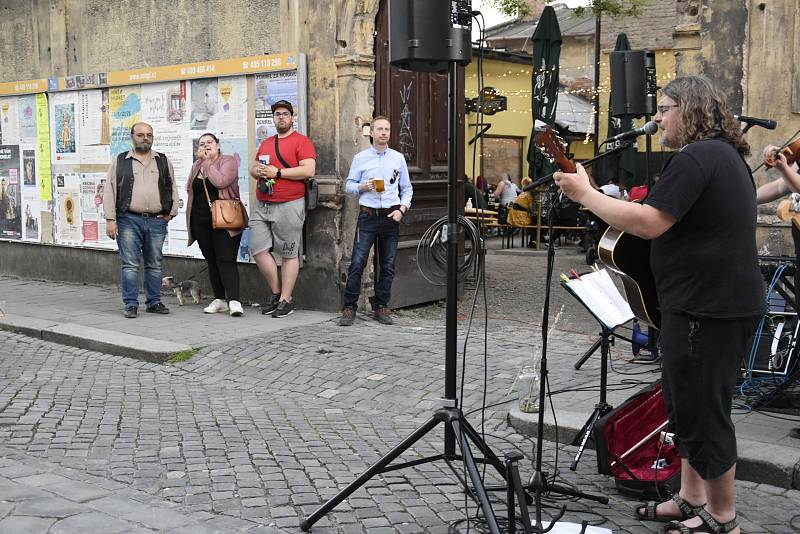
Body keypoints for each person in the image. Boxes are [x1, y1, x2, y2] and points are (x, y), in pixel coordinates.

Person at [553, 76, 763, 534]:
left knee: (705, 412)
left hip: (708, 309)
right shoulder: (722, 156)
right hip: (703, 305)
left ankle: (722, 518)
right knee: (683, 404)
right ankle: (690, 498)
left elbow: (650, 222)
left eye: (665, 108)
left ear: (688, 110)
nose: (657, 118)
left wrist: (586, 196)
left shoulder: (696, 157)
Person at [339, 116, 413, 326]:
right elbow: (348, 186)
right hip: (368, 216)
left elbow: (407, 189)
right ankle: (349, 307)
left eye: (387, 129)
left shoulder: (398, 158)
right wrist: (364, 186)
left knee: (388, 264)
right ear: (371, 133)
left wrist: (402, 209)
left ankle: (381, 306)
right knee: (357, 263)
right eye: (379, 129)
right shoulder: (361, 158)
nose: (383, 133)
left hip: (391, 216)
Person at [104, 122, 179, 318]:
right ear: (132, 137)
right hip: (128, 219)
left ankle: (154, 302)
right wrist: (110, 219)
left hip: (156, 220)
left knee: (154, 263)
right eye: (141, 135)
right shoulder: (120, 161)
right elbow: (110, 191)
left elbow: (172, 186)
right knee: (130, 264)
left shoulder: (163, 161)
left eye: (149, 135)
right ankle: (130, 304)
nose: (145, 138)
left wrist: (170, 213)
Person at [248, 100, 316, 318]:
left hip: (289, 203)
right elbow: (254, 167)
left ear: (292, 117)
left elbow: (308, 170)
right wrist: (256, 170)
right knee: (258, 249)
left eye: (285, 114)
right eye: (277, 114)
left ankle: (286, 300)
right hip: (263, 203)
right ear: (273, 118)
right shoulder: (267, 143)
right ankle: (276, 293)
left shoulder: (301, 142)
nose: (281, 118)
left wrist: (277, 173)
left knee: (288, 253)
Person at [185, 133, 247, 317]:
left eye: (209, 142)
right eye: (202, 143)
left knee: (226, 260)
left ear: (218, 145)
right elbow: (190, 189)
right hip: (201, 221)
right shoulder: (196, 165)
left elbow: (221, 182)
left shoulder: (228, 161)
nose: (206, 146)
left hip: (225, 220)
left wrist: (206, 163)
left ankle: (234, 301)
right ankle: (219, 299)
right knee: (212, 262)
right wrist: (201, 164)